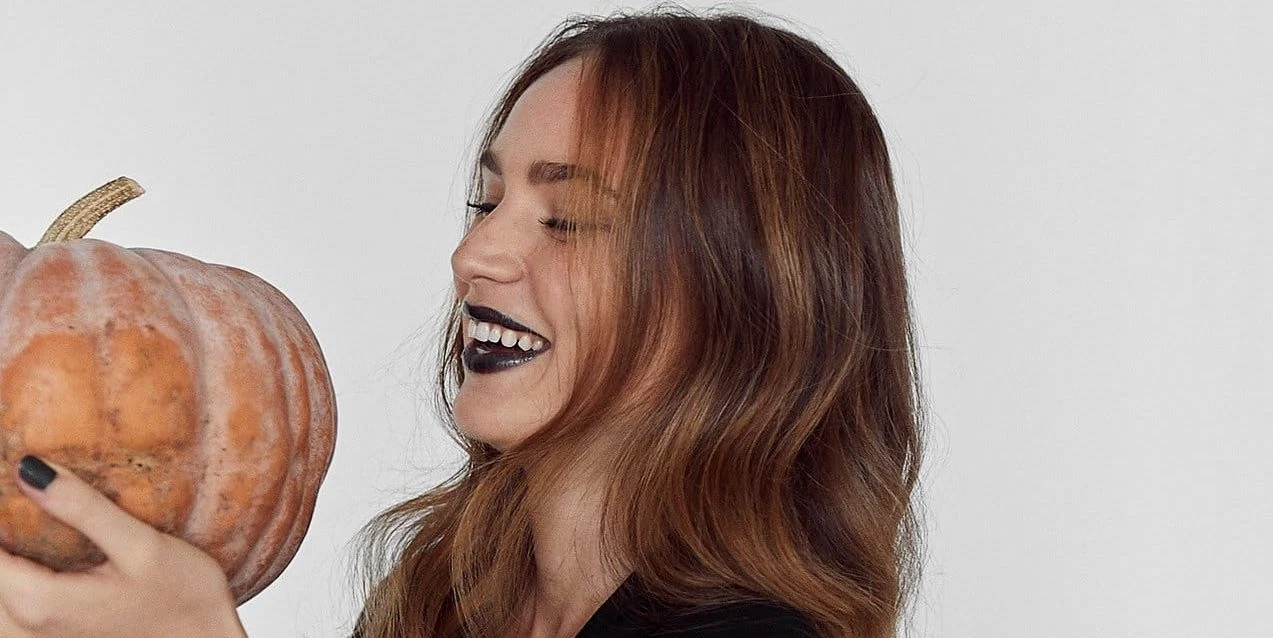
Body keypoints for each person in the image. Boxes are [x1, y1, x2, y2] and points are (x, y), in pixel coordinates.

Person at [0, 8, 925, 638]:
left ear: (744, 290)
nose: (475, 255)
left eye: (567, 220)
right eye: (486, 203)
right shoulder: (436, 606)